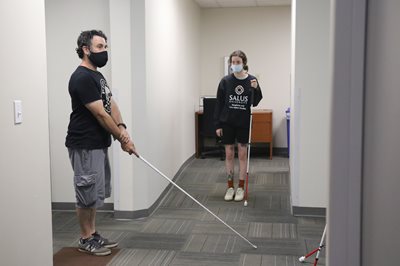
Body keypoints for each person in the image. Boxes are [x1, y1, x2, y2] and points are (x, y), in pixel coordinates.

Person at [65, 30, 137, 256]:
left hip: (98, 143)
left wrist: (123, 129)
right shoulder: (81, 77)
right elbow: (100, 115)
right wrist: (121, 140)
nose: (104, 51)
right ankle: (85, 238)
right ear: (85, 49)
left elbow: (111, 105)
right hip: (84, 144)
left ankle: (93, 232)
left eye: (105, 47)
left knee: (95, 193)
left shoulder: (97, 76)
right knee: (86, 193)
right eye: (99, 47)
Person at [214, 50, 262, 202]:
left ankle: (240, 187)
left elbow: (255, 102)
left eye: (237, 62)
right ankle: (230, 187)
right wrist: (218, 124)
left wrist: (256, 88)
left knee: (242, 155)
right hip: (227, 122)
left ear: (244, 63)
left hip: (243, 123)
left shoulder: (251, 80)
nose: (235, 65)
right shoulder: (225, 81)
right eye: (232, 62)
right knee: (229, 154)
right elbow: (219, 104)